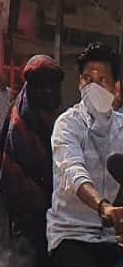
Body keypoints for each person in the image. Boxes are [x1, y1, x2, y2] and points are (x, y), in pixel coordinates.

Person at [47, 43, 123, 266]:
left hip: (110, 237)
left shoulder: (121, 127)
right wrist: (103, 207)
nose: (93, 87)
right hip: (71, 233)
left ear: (115, 86)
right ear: (80, 83)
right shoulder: (67, 124)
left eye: (101, 80)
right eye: (87, 79)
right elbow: (74, 173)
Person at [0, 55, 63, 267]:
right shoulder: (18, 124)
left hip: (53, 216)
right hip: (16, 216)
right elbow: (10, 177)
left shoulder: (63, 124)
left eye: (52, 86)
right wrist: (45, 201)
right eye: (40, 85)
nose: (47, 92)